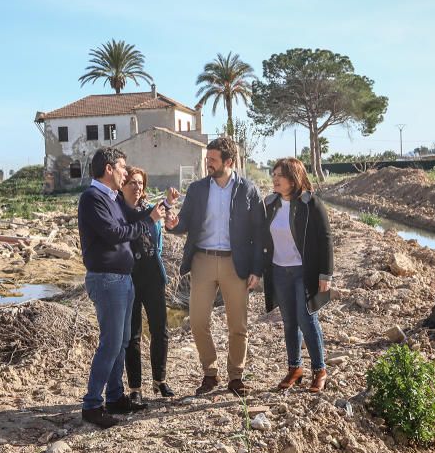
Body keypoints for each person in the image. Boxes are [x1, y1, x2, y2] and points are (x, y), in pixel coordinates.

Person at [167, 136, 265, 397]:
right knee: (198, 321)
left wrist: (257, 268)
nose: (207, 163)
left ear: (229, 162)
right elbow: (184, 222)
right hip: (203, 261)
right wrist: (172, 222)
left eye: (212, 160)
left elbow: (260, 231)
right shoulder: (198, 189)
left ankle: (236, 377)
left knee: (238, 324)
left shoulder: (248, 190)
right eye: (206, 159)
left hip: (237, 263)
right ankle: (210, 374)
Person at [77, 147, 166, 428]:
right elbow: (114, 234)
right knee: (111, 342)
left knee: (123, 341)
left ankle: (115, 397)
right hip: (106, 279)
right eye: (122, 168)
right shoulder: (93, 198)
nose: (126, 173)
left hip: (123, 279)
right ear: (108, 169)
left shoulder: (113, 198)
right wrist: (147, 223)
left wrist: (158, 212)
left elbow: (132, 217)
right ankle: (92, 404)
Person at [261, 157, 334, 393]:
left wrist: (326, 274)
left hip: (305, 271)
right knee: (290, 321)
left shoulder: (310, 203)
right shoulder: (270, 204)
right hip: (279, 271)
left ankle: (319, 370)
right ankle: (295, 368)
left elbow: (325, 239)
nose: (274, 180)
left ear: (293, 179)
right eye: (273, 175)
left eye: (278, 176)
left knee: (307, 319)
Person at [121, 167, 175, 402]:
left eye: (141, 183)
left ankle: (160, 381)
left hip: (153, 275)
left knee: (160, 331)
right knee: (133, 335)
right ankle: (135, 389)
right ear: (123, 185)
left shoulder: (148, 210)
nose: (137, 187)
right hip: (129, 278)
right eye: (132, 182)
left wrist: (170, 208)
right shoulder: (118, 212)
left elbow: (160, 226)